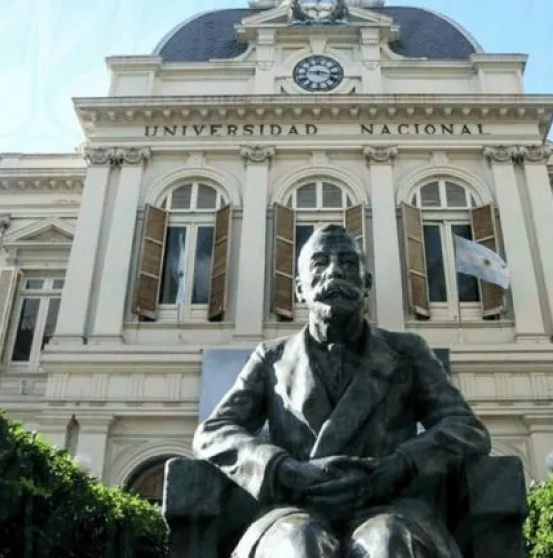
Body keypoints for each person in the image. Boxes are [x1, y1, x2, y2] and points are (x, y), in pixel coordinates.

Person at [193, 224, 491, 558]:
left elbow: (467, 429)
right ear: (299, 290)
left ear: (367, 284)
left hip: (388, 507)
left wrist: (400, 465)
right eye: (320, 263)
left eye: (348, 263)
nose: (335, 271)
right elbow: (213, 432)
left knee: (388, 543)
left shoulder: (407, 352)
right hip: (295, 509)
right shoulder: (271, 358)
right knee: (300, 545)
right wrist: (280, 469)